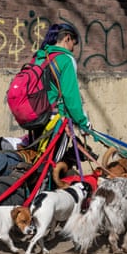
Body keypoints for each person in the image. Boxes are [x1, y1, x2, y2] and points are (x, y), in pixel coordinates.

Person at [29, 23, 92, 158]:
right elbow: (70, 96)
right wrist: (83, 123)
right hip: (56, 121)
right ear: (67, 38)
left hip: (36, 118)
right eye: (73, 44)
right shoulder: (66, 60)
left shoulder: (38, 57)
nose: (73, 49)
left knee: (37, 159)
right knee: (52, 164)